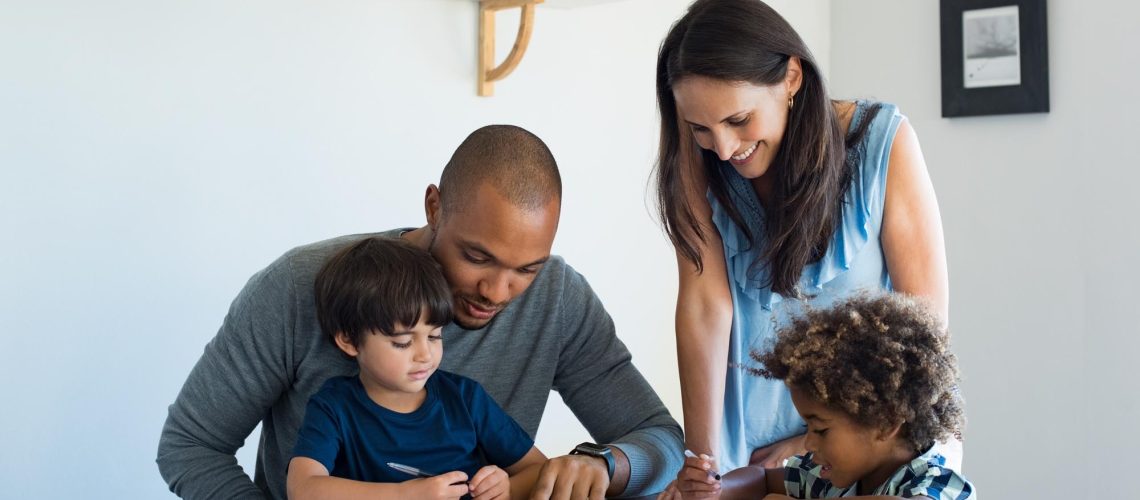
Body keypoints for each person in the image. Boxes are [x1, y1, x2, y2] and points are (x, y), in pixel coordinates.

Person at [157, 124, 684, 499]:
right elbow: (190, 446)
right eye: (477, 257)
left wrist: (606, 465)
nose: (499, 291)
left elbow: (659, 439)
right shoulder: (299, 287)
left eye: (527, 268)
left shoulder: (559, 299)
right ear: (434, 206)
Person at [652, 0, 956, 487]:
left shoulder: (883, 142)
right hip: (744, 446)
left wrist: (814, 442)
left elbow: (923, 329)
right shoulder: (697, 160)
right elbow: (705, 307)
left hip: (872, 441)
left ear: (791, 77)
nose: (724, 148)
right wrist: (704, 465)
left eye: (738, 120)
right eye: (700, 128)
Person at [287, 237, 546, 500]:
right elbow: (304, 489)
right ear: (350, 340)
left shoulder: (466, 399)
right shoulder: (334, 408)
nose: (425, 355)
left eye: (434, 336)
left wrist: (507, 488)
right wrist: (404, 495)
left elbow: (540, 470)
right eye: (403, 342)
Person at [673, 293, 974, 499]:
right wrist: (717, 489)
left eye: (820, 429)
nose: (808, 443)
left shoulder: (935, 480)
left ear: (886, 422)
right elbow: (761, 478)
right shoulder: (830, 477)